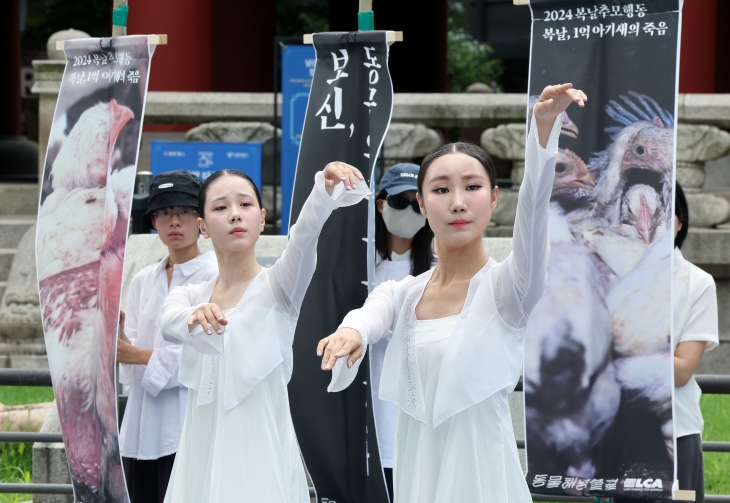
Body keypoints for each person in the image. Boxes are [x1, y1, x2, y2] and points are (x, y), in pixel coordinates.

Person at [318, 83, 587, 503]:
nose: (458, 202)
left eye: (473, 187)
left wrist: (542, 133)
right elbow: (369, 315)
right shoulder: (403, 294)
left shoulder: (508, 288)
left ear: (494, 198)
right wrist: (350, 332)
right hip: (417, 475)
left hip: (482, 479)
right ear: (423, 205)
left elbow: (534, 212)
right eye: (441, 190)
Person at [160, 164, 368, 503]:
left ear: (261, 217)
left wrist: (323, 192)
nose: (234, 215)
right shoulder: (190, 296)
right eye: (220, 207)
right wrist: (192, 315)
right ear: (203, 227)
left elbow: (304, 235)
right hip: (203, 447)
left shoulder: (279, 284)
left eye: (244, 205)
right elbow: (169, 322)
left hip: (261, 448)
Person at [613, 183, 718, 503]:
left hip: (677, 435)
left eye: (660, 214)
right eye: (634, 217)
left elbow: (683, 370)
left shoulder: (697, 283)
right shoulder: (611, 278)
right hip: (621, 429)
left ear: (679, 222)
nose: (648, 225)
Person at [117, 170, 218, 503]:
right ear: (153, 220)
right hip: (140, 424)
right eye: (164, 213)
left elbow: (207, 352)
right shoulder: (143, 279)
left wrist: (139, 356)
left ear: (201, 220)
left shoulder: (215, 274)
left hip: (187, 420)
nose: (174, 221)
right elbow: (127, 360)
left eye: (184, 212)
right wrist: (120, 345)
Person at [372, 163, 435, 497]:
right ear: (380, 203)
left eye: (417, 202)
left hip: (416, 414)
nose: (410, 211)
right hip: (367, 418)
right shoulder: (357, 267)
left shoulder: (438, 270)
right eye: (400, 201)